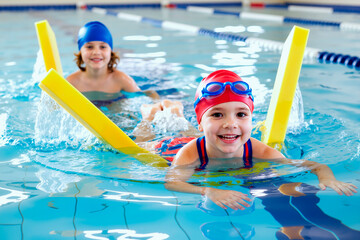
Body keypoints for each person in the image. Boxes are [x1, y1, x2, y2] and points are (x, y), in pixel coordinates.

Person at [161, 69, 357, 211]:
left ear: (251, 119)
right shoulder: (190, 152)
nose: (231, 124)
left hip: (213, 140)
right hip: (172, 145)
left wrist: (327, 178)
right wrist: (208, 191)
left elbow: (315, 165)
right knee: (156, 136)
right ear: (201, 123)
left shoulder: (261, 151)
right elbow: (172, 183)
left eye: (241, 114)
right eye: (217, 115)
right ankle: (167, 108)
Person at [66, 21, 158, 105]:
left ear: (110, 51)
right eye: (89, 47)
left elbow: (149, 94)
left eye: (103, 47)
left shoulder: (121, 80)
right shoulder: (71, 83)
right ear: (80, 51)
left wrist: (156, 104)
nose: (96, 52)